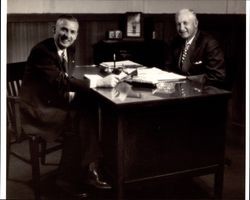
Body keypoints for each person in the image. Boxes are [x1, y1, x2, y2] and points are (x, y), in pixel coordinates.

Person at [19, 14, 120, 198]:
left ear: (76, 34)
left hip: (53, 100)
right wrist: (98, 83)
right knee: (78, 119)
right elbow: (61, 81)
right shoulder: (43, 51)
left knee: (88, 106)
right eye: (64, 30)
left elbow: (65, 80)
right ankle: (77, 175)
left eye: (72, 32)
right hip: (37, 109)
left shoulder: (69, 50)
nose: (68, 35)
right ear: (54, 30)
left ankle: (87, 169)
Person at [165, 8, 226, 88]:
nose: (181, 28)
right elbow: (168, 68)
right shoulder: (175, 42)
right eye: (178, 24)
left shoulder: (209, 43)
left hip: (202, 93)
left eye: (185, 23)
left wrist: (187, 79)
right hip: (178, 91)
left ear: (196, 24)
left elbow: (217, 76)